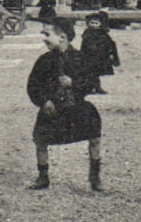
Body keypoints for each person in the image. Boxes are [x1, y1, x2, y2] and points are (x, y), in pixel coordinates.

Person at [26, 17, 103, 192]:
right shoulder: (44, 61)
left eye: (47, 34)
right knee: (40, 140)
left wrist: (74, 83)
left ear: (62, 37)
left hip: (76, 107)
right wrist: (44, 101)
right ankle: (43, 177)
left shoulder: (80, 58)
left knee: (95, 135)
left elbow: (93, 83)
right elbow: (33, 85)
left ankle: (95, 176)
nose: (44, 38)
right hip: (52, 108)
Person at [78, 11, 119, 93]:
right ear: (88, 23)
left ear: (100, 24)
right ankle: (91, 87)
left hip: (100, 57)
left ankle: (96, 87)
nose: (94, 25)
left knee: (96, 73)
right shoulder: (87, 33)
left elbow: (110, 44)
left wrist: (111, 54)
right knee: (89, 73)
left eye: (96, 23)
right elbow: (84, 46)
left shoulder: (103, 33)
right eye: (92, 23)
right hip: (89, 57)